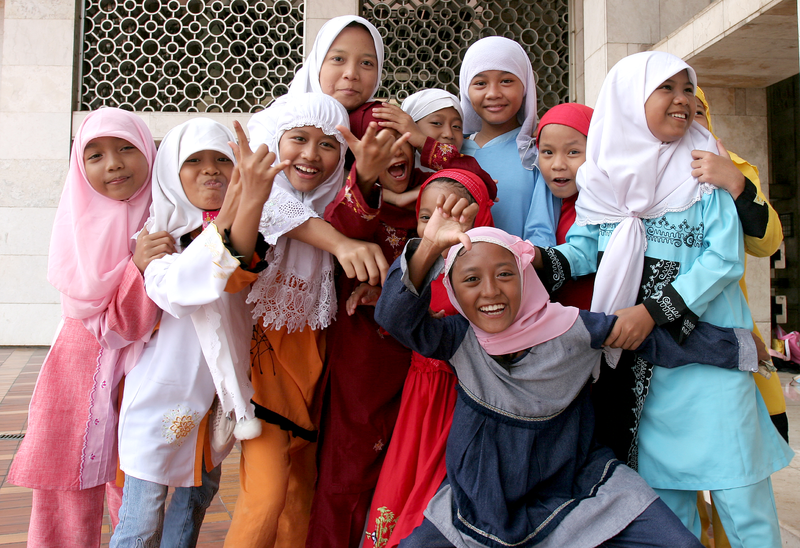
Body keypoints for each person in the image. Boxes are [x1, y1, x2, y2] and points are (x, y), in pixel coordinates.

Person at [373, 201, 760, 548]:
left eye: (505, 274)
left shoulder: (573, 329)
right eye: (471, 280)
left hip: (577, 488)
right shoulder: (460, 340)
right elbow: (394, 317)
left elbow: (653, 340)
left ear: (526, 276)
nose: (490, 291)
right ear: (454, 290)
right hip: (480, 501)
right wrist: (429, 248)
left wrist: (742, 348)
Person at [536, 51, 794, 546]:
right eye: (666, 89)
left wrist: (651, 312)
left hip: (709, 363)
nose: (682, 100)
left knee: (742, 498)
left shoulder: (706, 172)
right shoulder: (603, 177)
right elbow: (588, 247)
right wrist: (531, 261)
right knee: (665, 510)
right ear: (631, 101)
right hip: (643, 375)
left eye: (687, 88)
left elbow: (723, 261)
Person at [305, 102, 472, 548]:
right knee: (350, 467)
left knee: (408, 474)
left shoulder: (433, 192)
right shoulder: (348, 195)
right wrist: (365, 180)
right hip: (364, 354)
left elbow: (477, 182)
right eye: (374, 142)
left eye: (402, 137)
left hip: (424, 362)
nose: (393, 150)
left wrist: (424, 149)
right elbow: (340, 230)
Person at [111, 117, 281, 547]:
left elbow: (237, 268)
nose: (210, 170)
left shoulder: (248, 231)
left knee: (190, 515)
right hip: (160, 404)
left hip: (214, 403)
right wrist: (231, 211)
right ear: (171, 169)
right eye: (195, 161)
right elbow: (179, 289)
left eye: (222, 159)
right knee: (141, 521)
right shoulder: (156, 237)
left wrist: (245, 206)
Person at [8, 108, 165, 548]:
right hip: (77, 370)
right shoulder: (77, 224)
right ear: (79, 167)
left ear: (148, 151)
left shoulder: (168, 218)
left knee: (135, 491)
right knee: (65, 484)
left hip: (144, 373)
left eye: (125, 148)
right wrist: (135, 267)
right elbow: (108, 320)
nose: (112, 163)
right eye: (93, 155)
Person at [223, 93, 351, 548]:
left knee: (301, 492)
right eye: (298, 139)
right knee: (266, 494)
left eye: (328, 144)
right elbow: (231, 274)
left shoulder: (338, 208)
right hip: (264, 369)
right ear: (276, 142)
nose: (311, 155)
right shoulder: (256, 207)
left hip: (316, 368)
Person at [362, 162, 496, 548]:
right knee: (405, 481)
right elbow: (396, 315)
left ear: (481, 215)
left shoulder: (495, 270)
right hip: (422, 396)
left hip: (464, 398)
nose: (438, 223)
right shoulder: (418, 265)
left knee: (443, 493)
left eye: (455, 213)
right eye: (425, 215)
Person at [691, 87, 788, 548]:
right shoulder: (638, 174)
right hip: (667, 357)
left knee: (743, 484)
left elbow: (767, 243)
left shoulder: (734, 166)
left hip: (734, 350)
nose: (689, 119)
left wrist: (735, 182)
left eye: (697, 111)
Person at [458, 36, 557, 244]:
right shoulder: (452, 152)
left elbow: (542, 236)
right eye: (480, 83)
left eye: (506, 81)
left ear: (525, 86)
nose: (493, 93)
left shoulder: (538, 154)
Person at [535, 102, 595, 309]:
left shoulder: (609, 207)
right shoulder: (544, 206)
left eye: (573, 152)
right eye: (547, 152)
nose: (558, 164)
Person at [373, 88, 465, 209]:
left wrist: (424, 142)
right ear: (409, 128)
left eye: (457, 126)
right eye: (436, 123)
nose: (449, 134)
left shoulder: (463, 172)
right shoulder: (387, 176)